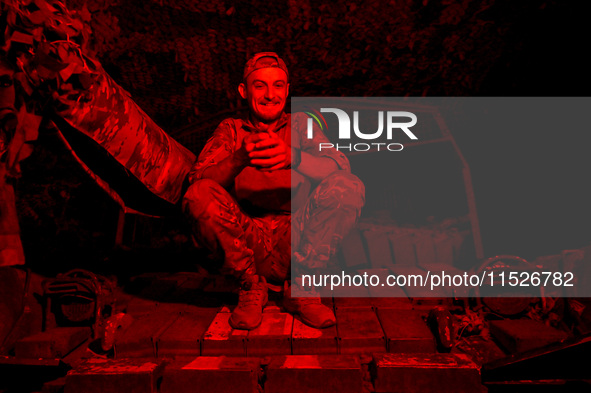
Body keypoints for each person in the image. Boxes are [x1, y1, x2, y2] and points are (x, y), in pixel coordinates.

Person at [183, 52, 364, 330]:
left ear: (287, 90)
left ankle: (302, 289)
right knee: (198, 194)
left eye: (278, 85)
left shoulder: (302, 124)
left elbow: (340, 167)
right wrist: (239, 158)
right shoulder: (231, 129)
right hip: (247, 238)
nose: (270, 94)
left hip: (296, 238)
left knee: (347, 186)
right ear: (244, 91)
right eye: (260, 85)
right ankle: (250, 287)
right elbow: (197, 181)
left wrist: (295, 158)